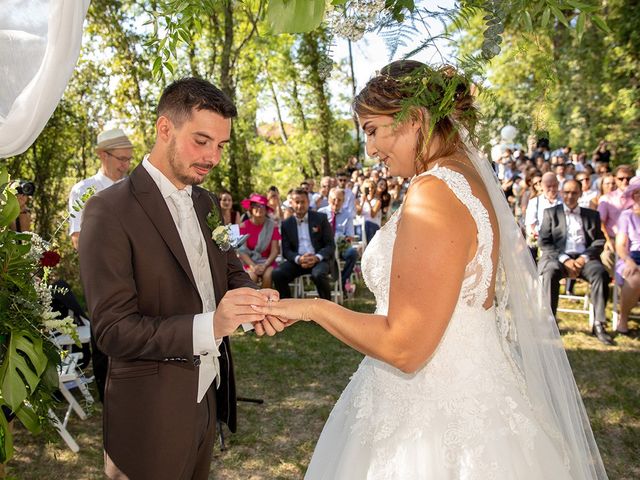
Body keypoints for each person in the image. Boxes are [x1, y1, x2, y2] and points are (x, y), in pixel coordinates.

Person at [253, 61, 607, 479]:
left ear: (415, 119)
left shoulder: (435, 192)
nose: (368, 149)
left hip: (435, 416)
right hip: (474, 394)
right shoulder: (466, 178)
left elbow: (406, 347)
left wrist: (311, 309)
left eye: (371, 129)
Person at [79, 78, 279, 480]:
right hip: (150, 416)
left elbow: (229, 270)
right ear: (164, 129)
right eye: (201, 141)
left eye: (220, 146)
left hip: (207, 397)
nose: (213, 157)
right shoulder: (108, 211)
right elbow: (113, 331)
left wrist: (257, 301)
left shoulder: (204, 200)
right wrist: (211, 326)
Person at [537, 180, 613, 345]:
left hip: (584, 258)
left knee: (600, 274)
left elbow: (599, 241)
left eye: (573, 193)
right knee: (550, 272)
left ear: (580, 194)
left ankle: (599, 323)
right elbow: (544, 242)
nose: (569, 196)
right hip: (558, 258)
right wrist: (565, 259)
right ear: (561, 193)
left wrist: (583, 258)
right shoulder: (551, 213)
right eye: (566, 192)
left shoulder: (592, 215)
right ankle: (549, 321)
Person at [68, 128, 133, 251]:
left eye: (129, 159)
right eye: (122, 159)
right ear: (104, 156)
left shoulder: (135, 188)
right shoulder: (82, 190)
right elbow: (78, 239)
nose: (126, 165)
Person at [271, 188, 335, 301]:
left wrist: (316, 257)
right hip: (298, 261)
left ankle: (328, 308)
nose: (300, 205)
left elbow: (330, 245)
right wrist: (299, 259)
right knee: (277, 274)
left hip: (318, 260)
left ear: (308, 202)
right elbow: (286, 250)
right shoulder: (286, 224)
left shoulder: (321, 218)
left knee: (318, 275)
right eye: (297, 202)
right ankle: (287, 308)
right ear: (291, 203)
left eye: (303, 202)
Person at [318, 188, 358, 292]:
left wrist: (344, 240)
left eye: (340, 200)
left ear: (343, 201)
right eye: (334, 199)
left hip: (340, 247)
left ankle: (342, 281)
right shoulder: (321, 213)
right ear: (329, 199)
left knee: (353, 253)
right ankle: (325, 282)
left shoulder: (347, 215)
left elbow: (350, 235)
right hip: (324, 247)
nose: (336, 202)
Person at [237, 193, 281, 288]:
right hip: (249, 262)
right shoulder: (243, 226)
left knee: (268, 276)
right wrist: (253, 266)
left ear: (266, 209)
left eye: (262, 206)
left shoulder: (272, 226)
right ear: (251, 209)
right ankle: (252, 302)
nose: (259, 208)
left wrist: (264, 265)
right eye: (256, 206)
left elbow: (275, 251)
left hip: (268, 262)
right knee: (251, 277)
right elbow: (242, 251)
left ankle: (267, 302)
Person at [614, 177, 640, 334]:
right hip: (633, 255)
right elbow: (620, 245)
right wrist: (629, 261)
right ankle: (623, 319)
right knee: (634, 277)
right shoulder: (627, 215)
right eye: (637, 193)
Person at [598, 165, 634, 274]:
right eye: (621, 178)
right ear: (615, 179)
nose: (625, 181)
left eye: (628, 178)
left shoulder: (636, 197)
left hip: (634, 241)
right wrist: (608, 240)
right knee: (606, 256)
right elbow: (600, 222)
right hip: (613, 239)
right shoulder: (607, 199)